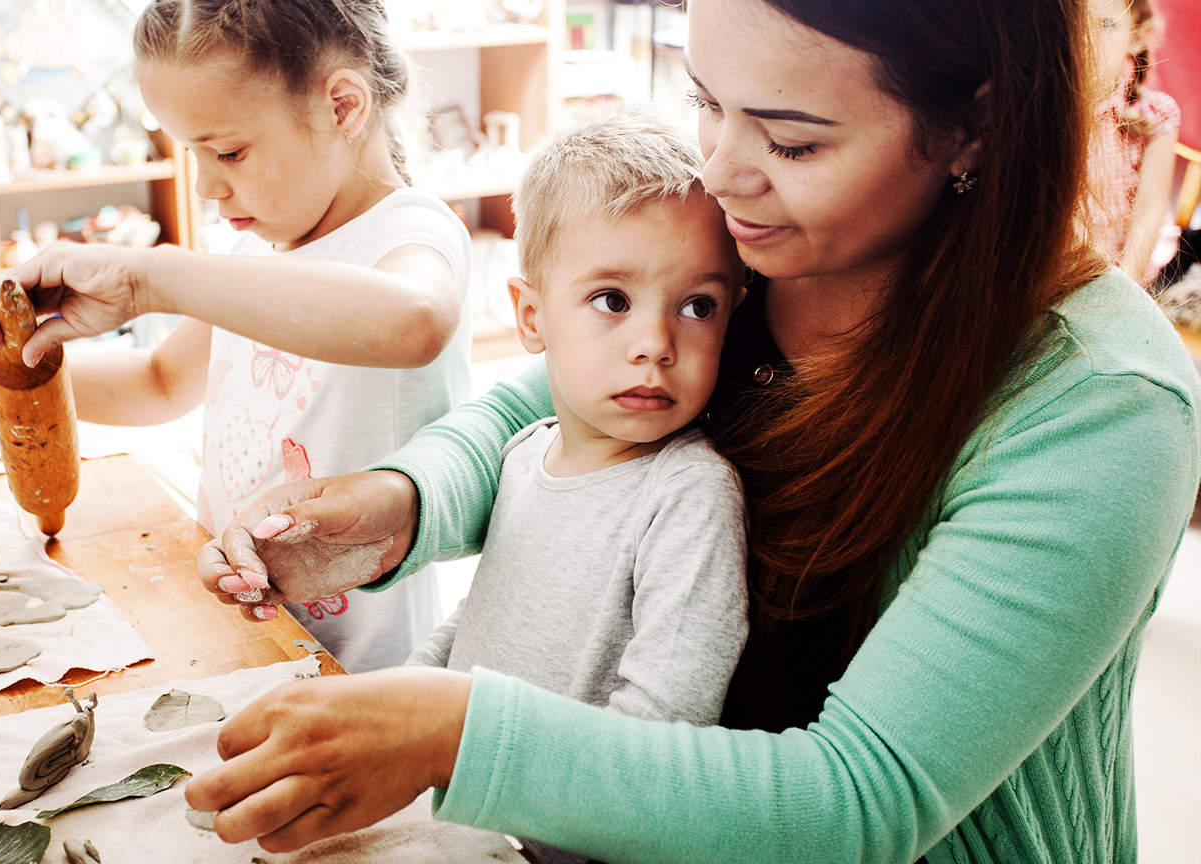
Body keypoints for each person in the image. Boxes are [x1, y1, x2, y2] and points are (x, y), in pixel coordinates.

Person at [187, 0, 1201, 861]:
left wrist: (458, 733)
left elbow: (860, 799)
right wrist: (404, 502)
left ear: (975, 125)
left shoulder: (1103, 406)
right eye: (705, 101)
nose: (720, 172)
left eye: (792, 140)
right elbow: (532, 403)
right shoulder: (740, 260)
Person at [0, 0, 471, 673]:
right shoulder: (259, 261)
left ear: (343, 107)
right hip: (249, 622)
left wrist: (156, 276)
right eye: (190, 154)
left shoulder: (409, 230)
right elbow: (160, 381)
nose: (205, 185)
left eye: (228, 151)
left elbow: (413, 321)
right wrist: (17, 377)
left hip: (359, 661)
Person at [404, 111, 749, 864]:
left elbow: (665, 724)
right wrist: (398, 699)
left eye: (698, 306)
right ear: (532, 317)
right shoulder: (526, 455)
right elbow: (478, 619)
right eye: (612, 301)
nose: (656, 344)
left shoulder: (690, 493)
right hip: (460, 825)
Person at [1089, 0, 1181, 289]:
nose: (1086, 41)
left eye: (1106, 25)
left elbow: (1149, 212)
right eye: (1075, 27)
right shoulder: (1037, 109)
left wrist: (1122, 289)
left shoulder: (1155, 116)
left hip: (1113, 281)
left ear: (1137, 36)